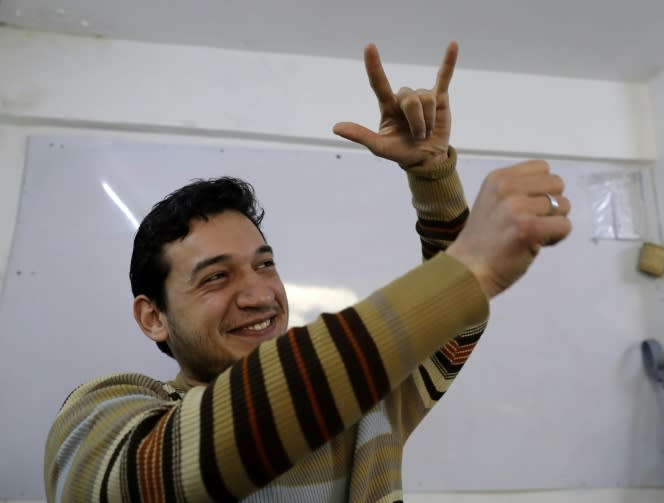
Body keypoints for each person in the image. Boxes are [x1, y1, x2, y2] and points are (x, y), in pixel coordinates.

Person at [43, 42, 571, 502]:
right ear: (152, 317)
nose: (258, 294)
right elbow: (163, 471)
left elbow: (453, 322)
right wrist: (471, 266)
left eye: (264, 264)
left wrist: (433, 179)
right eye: (216, 277)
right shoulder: (105, 414)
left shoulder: (363, 407)